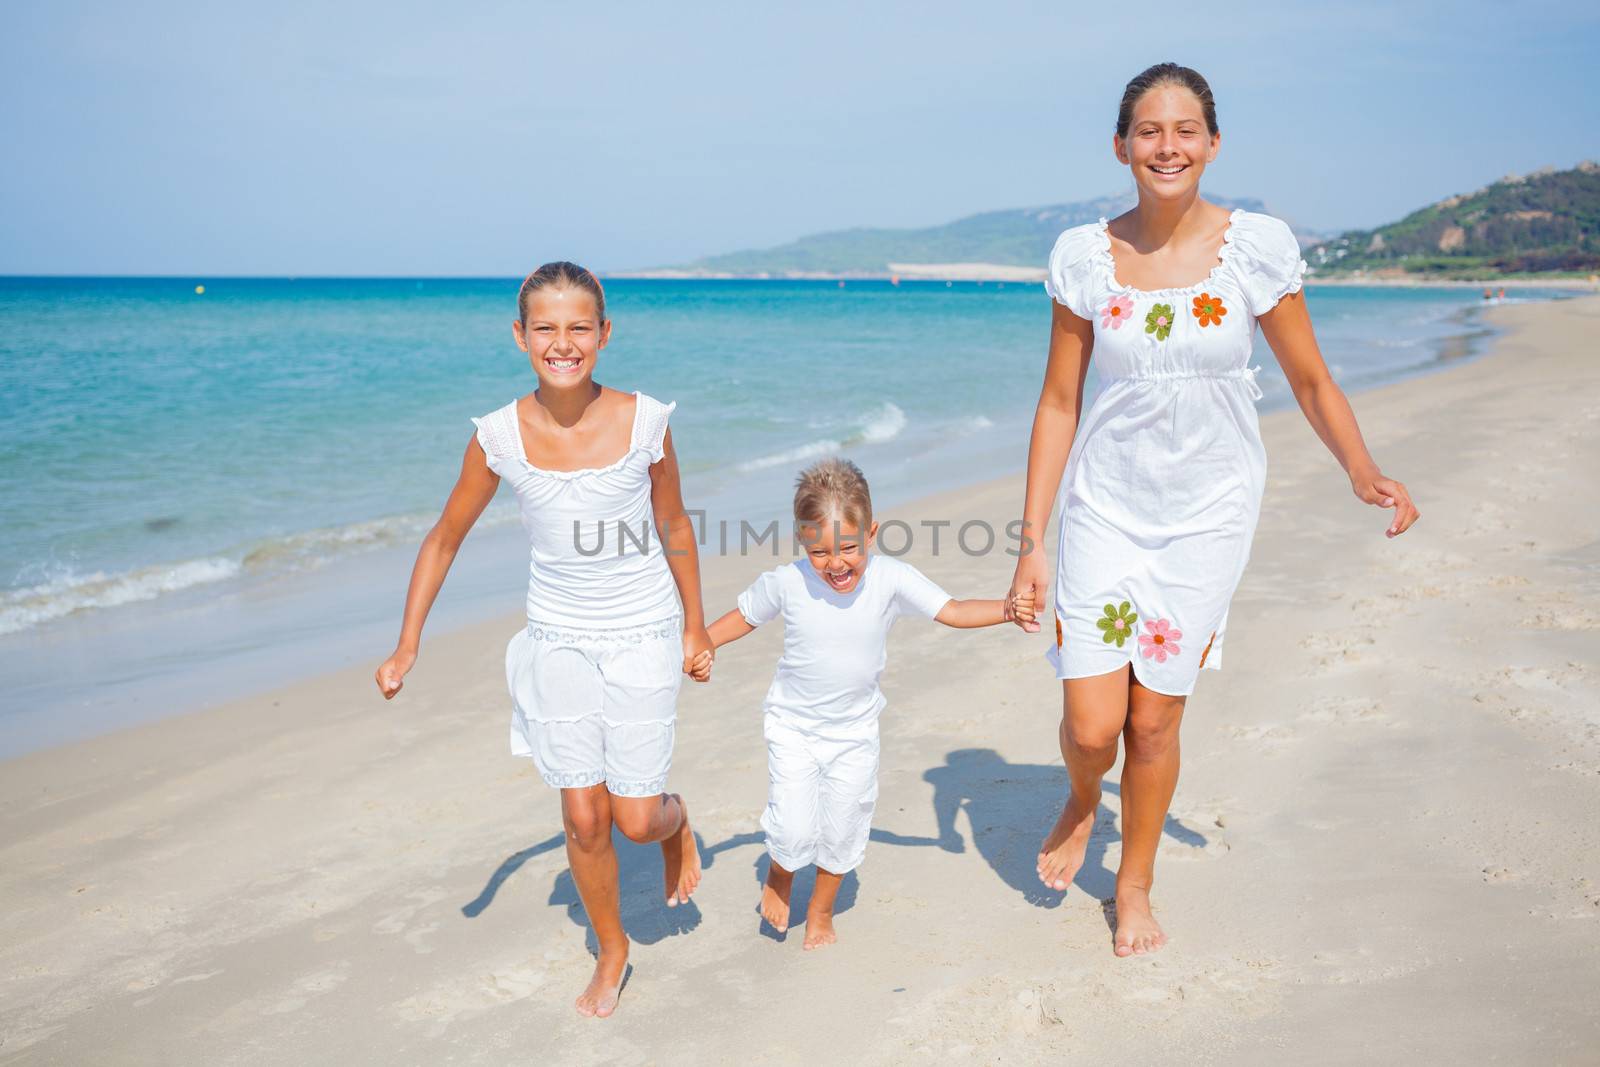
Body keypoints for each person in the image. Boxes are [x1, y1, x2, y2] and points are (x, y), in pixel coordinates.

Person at [1007, 63, 1420, 957]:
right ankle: (1083, 795)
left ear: (1213, 143)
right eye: (1149, 131)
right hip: (1105, 512)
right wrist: (1031, 541)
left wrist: (1361, 467)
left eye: (1185, 129)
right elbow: (1056, 403)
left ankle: (1135, 882)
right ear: (1121, 146)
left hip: (1207, 517)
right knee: (1091, 725)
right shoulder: (1084, 256)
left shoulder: (1255, 249)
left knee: (1153, 718)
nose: (1168, 146)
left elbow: (1310, 377)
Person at [374, 261, 712, 1018]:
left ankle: (676, 819)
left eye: (579, 327)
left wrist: (694, 623)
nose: (563, 343)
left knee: (633, 816)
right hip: (557, 637)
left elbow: (676, 523)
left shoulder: (646, 421)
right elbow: (444, 536)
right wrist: (407, 643)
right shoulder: (497, 436)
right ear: (521, 336)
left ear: (605, 333)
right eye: (546, 328)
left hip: (642, 631)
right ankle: (613, 947)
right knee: (583, 815)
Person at [689, 458, 1033, 949]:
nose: (836, 563)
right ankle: (781, 874)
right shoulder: (787, 583)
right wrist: (703, 647)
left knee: (845, 824)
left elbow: (951, 611)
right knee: (792, 823)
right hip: (794, 727)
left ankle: (821, 911)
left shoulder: (890, 579)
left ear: (870, 534)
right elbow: (742, 617)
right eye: (820, 551)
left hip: (854, 732)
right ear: (803, 543)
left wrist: (1004, 609)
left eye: (848, 547)